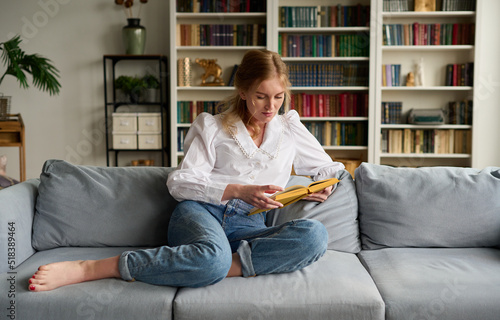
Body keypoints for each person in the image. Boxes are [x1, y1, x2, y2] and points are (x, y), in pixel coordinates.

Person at [28, 50, 344, 292]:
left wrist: (319, 183)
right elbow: (181, 182)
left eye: (278, 96)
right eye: (261, 96)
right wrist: (237, 190)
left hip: (248, 226)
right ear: (243, 90)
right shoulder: (213, 126)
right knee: (211, 256)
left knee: (315, 236)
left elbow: (328, 167)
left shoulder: (288, 127)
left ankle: (213, 265)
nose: (270, 106)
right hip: (201, 213)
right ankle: (91, 268)